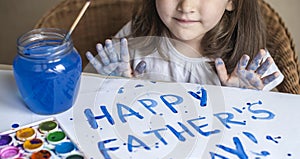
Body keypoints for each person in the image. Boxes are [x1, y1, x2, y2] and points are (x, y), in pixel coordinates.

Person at [85, 0, 284, 91]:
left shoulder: (249, 61)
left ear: (231, 2)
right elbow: (90, 97)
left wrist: (244, 99)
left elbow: (276, 119)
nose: (186, 6)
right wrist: (112, 86)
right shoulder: (133, 38)